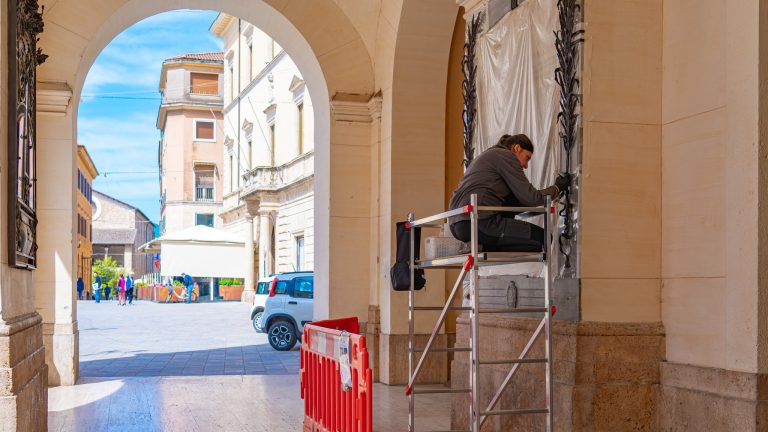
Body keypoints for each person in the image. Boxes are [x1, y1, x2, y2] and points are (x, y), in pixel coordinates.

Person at [448, 134, 570, 251]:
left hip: (457, 224)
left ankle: (481, 247)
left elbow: (515, 202)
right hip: (479, 222)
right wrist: (557, 188)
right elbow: (531, 198)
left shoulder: (488, 156)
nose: (526, 166)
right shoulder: (506, 156)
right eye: (527, 158)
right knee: (544, 239)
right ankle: (483, 248)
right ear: (517, 148)